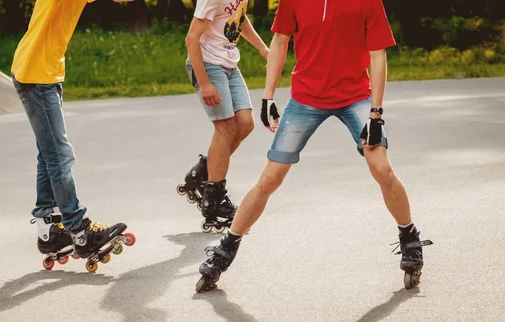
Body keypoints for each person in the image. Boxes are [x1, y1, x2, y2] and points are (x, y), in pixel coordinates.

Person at [195, 0, 433, 292]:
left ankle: (410, 239)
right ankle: (225, 250)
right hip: (306, 99)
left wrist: (376, 113)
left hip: (355, 97)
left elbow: (378, 54)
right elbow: (280, 40)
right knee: (269, 179)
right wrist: (268, 96)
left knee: (381, 168)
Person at [10, 0, 134, 270]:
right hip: (37, 75)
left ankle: (50, 231)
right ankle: (79, 231)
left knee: (49, 155)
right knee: (59, 156)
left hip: (42, 72)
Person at [177, 0, 269, 233]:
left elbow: (239, 18)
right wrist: (205, 83)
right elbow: (191, 39)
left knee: (245, 124)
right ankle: (214, 200)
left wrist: (262, 48)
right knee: (226, 128)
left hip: (229, 65)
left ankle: (202, 174)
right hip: (208, 65)